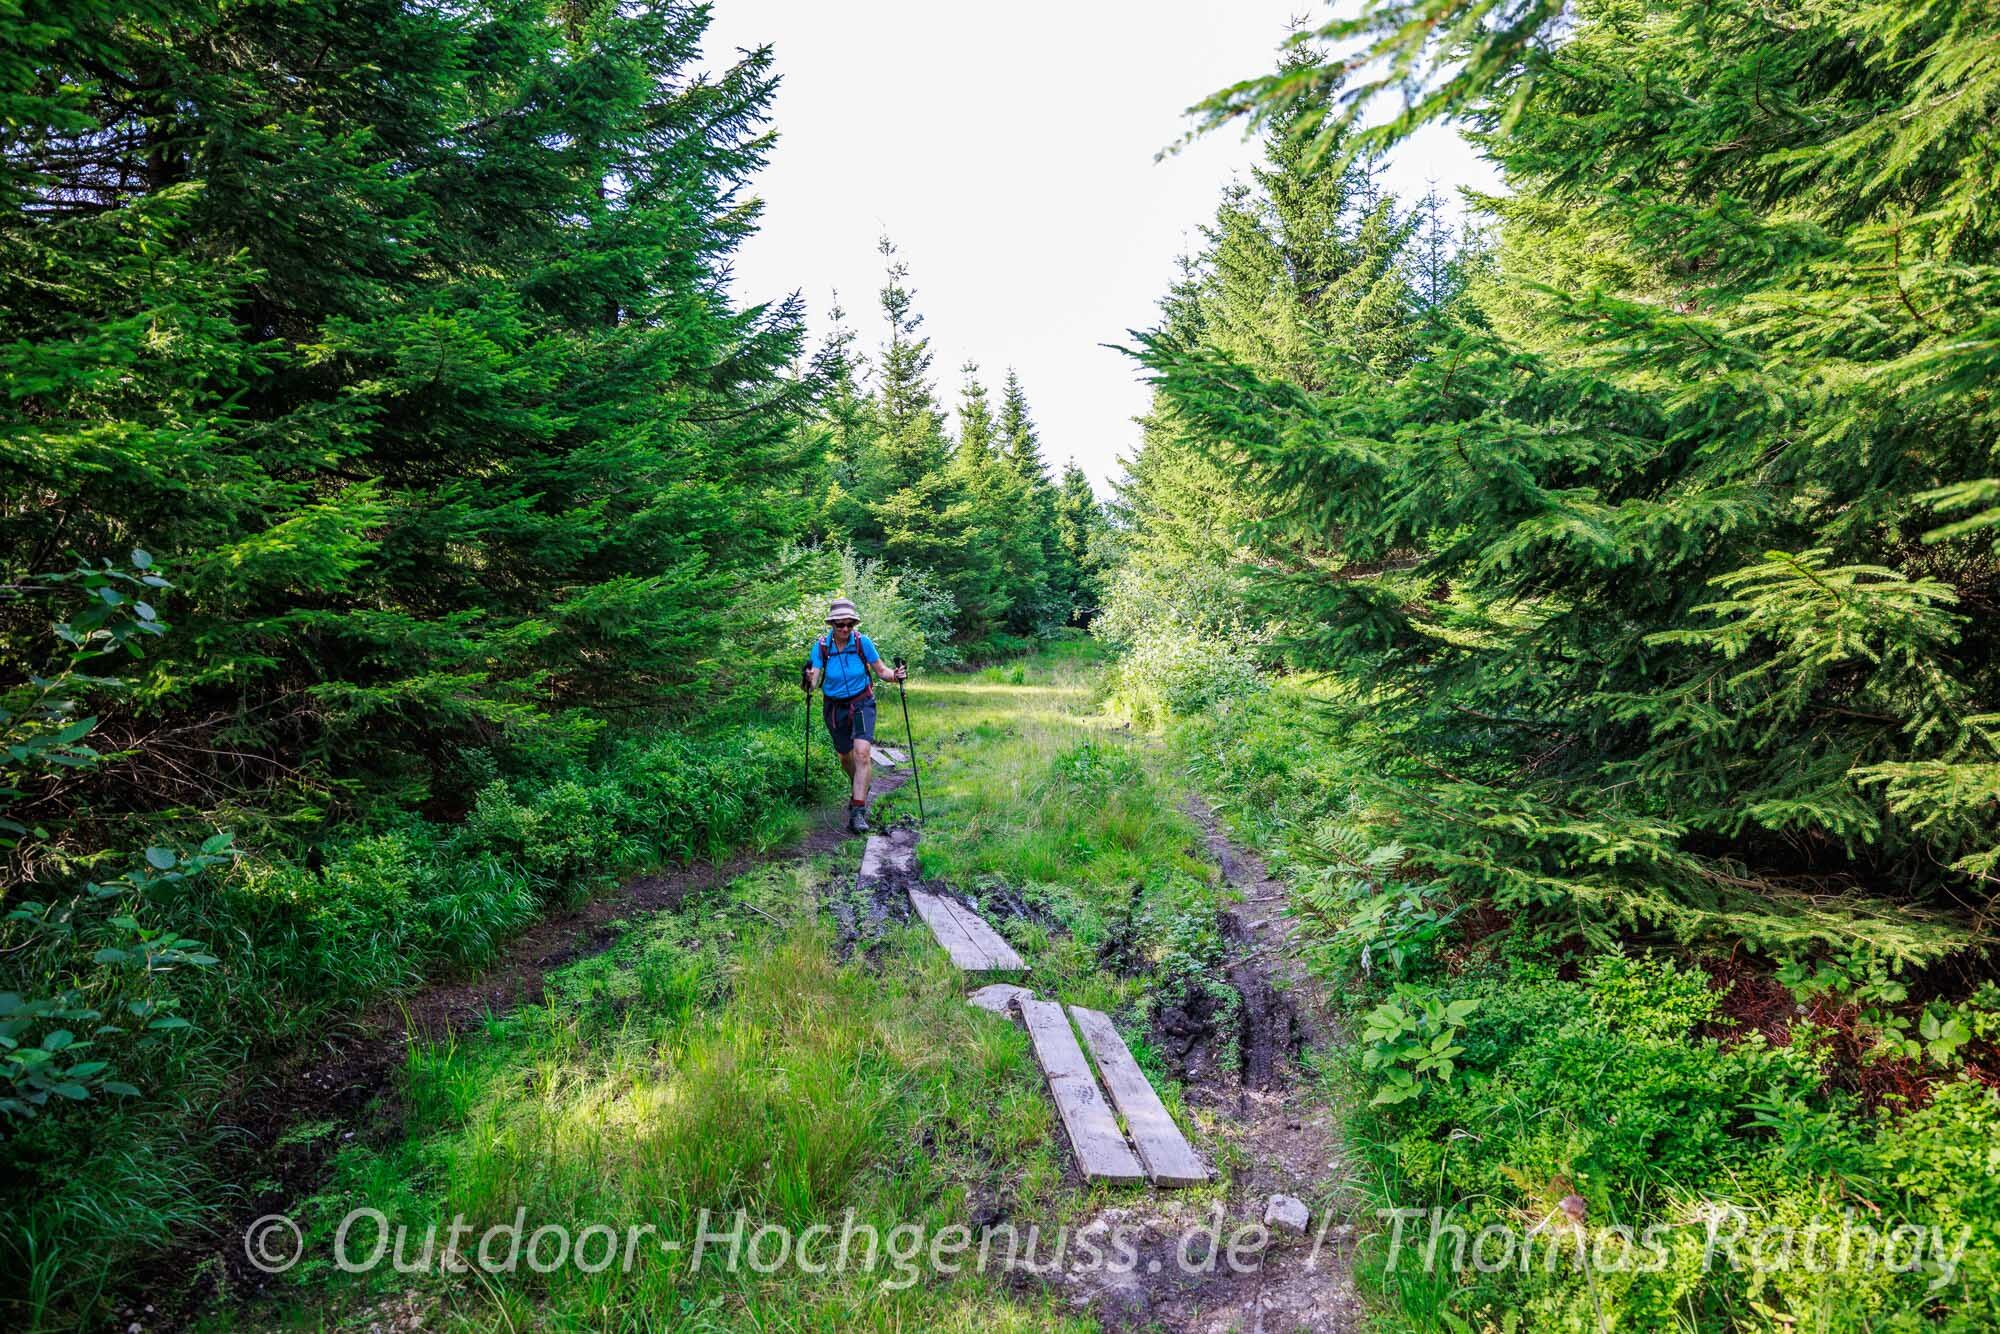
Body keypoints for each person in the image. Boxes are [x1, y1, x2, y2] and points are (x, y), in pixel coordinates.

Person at [804, 598, 906, 834]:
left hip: (862, 703)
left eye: (850, 624)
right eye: (840, 625)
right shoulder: (821, 647)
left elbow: (882, 672)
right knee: (845, 757)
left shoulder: (863, 642)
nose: (845, 629)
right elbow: (814, 682)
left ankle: (858, 810)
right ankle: (861, 784)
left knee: (862, 754)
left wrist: (897, 675)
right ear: (832, 624)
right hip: (834, 707)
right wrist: (808, 680)